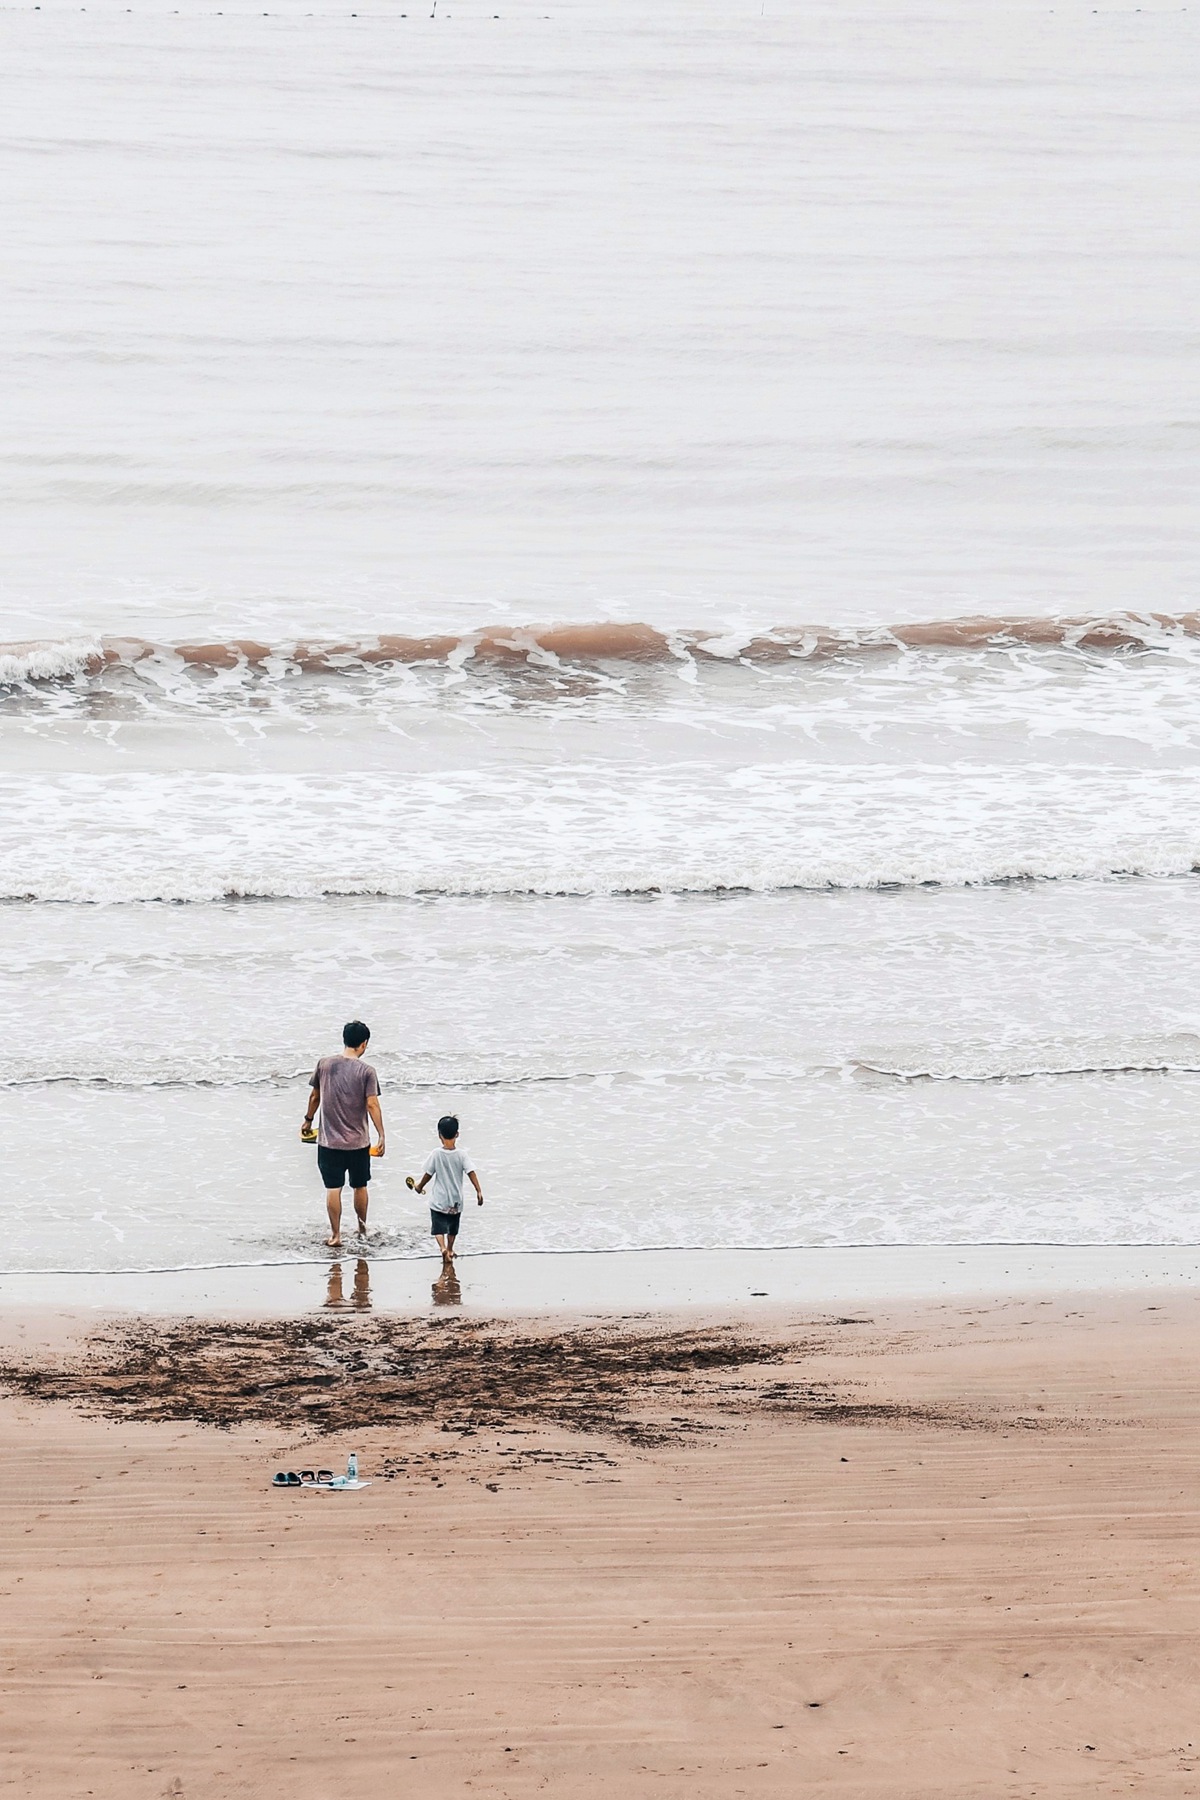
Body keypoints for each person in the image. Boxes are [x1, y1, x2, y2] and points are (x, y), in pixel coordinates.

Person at [302, 1021, 385, 1248]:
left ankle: (336, 1235)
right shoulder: (367, 1071)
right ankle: (362, 1229)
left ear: (344, 1039)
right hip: (358, 1142)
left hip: (329, 1142)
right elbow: (372, 1105)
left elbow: (314, 1097)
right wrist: (381, 1135)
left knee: (333, 1188)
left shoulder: (324, 1064)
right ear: (364, 1044)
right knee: (360, 1186)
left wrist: (308, 1120)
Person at [411, 1114, 481, 1261]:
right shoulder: (462, 1155)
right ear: (457, 1134)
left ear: (439, 1135)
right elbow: (471, 1173)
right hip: (456, 1201)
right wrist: (478, 1191)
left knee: (438, 1228)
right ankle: (450, 1249)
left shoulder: (436, 1154)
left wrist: (419, 1186)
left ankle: (442, 1248)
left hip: (439, 1200)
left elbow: (428, 1174)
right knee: (453, 1228)